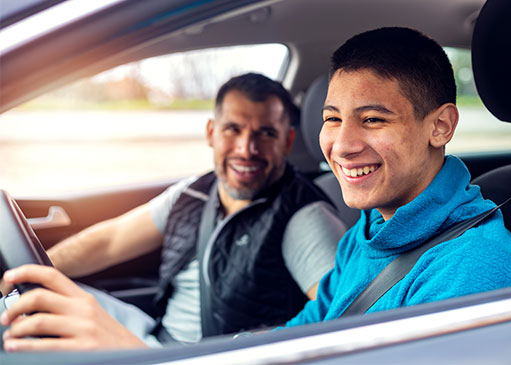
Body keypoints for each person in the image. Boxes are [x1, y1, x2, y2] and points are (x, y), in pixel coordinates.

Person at [0, 72, 346, 350]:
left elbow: (341, 317)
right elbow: (109, 241)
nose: (246, 148)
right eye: (233, 129)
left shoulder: (303, 217)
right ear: (212, 133)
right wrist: (22, 276)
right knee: (26, 308)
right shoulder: (195, 192)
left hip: (193, 357)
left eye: (265, 133)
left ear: (286, 141)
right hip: (153, 335)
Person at [281, 27, 511, 327]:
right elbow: (306, 330)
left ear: (440, 126)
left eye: (373, 120)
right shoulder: (366, 232)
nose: (344, 146)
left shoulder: (475, 264)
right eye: (333, 119)